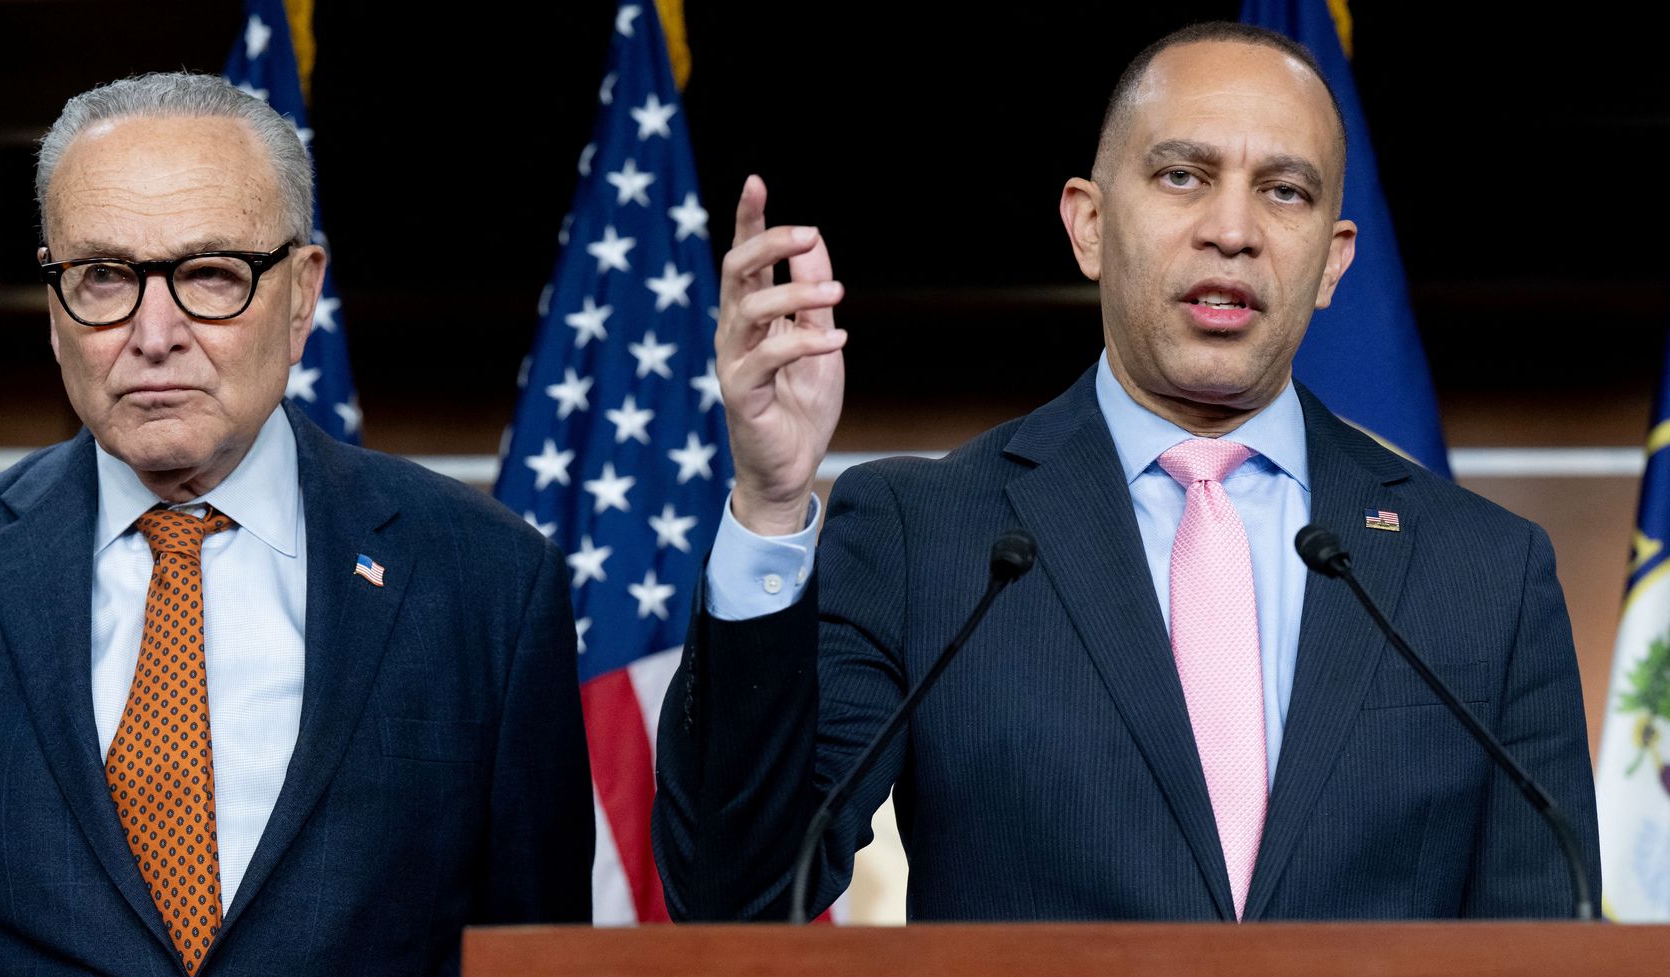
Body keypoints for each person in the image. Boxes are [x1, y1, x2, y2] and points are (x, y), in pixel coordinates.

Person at [652, 21, 1599, 923]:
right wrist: (772, 503)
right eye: (1183, 176)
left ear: (1332, 262)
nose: (1232, 230)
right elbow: (738, 892)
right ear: (1089, 226)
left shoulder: (1487, 574)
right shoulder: (925, 530)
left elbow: (1542, 963)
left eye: (1285, 191)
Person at [0, 73, 592, 977]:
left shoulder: (486, 581)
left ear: (303, 289)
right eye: (103, 276)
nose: (153, 332)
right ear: (54, 301)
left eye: (212, 273)